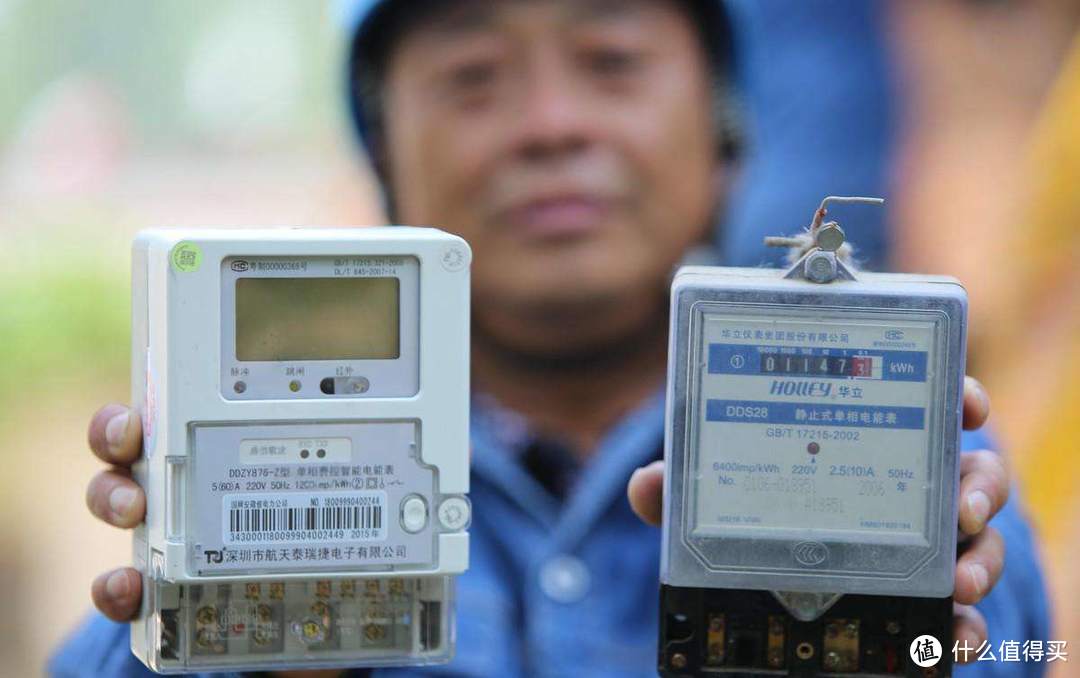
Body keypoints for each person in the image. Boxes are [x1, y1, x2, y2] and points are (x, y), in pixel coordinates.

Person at [51, 1, 1049, 676]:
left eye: (612, 61)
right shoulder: (220, 509)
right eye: (473, 75)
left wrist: (926, 635)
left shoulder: (931, 480)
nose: (551, 124)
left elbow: (999, 650)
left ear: (725, 132)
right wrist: (164, 632)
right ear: (384, 150)